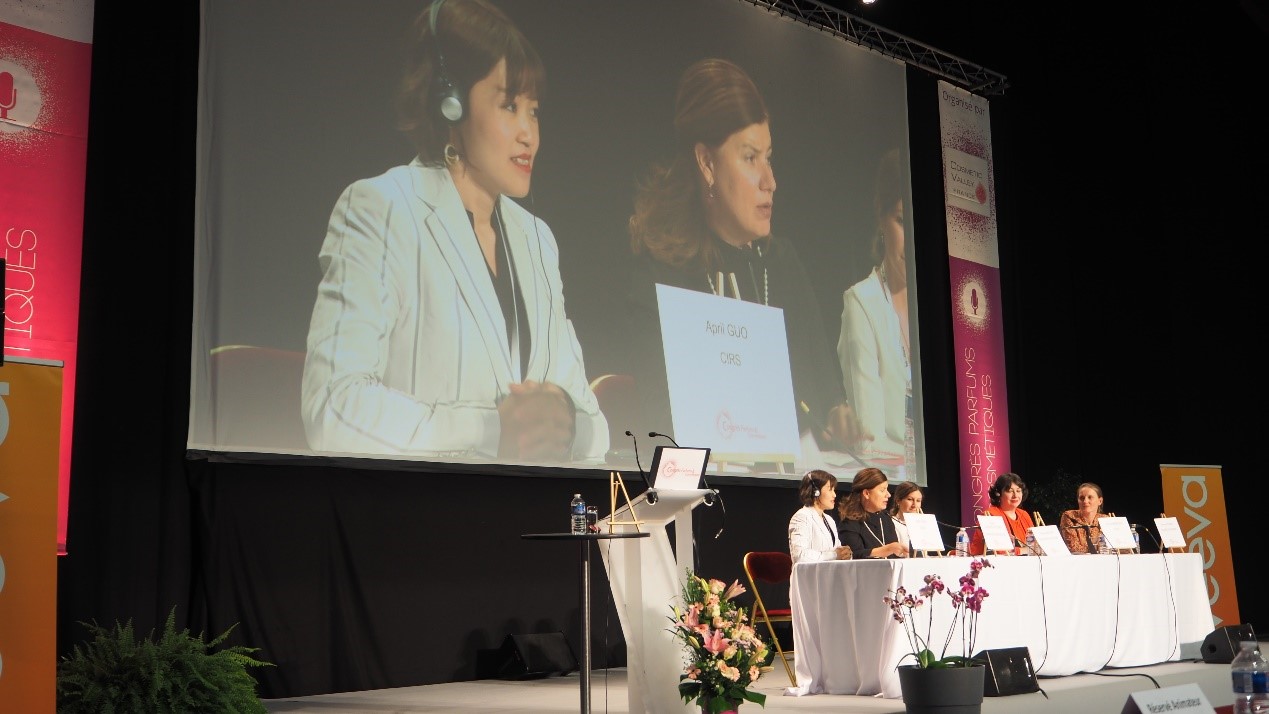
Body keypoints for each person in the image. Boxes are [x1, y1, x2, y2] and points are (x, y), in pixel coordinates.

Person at [300, 0, 607, 464]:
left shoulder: (537, 239)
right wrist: (490, 430)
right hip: (421, 502)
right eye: (509, 106)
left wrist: (566, 426)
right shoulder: (383, 208)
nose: (529, 134)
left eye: (534, 111)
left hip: (526, 503)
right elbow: (333, 407)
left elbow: (594, 423)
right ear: (451, 105)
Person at [624, 57, 862, 457]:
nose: (771, 181)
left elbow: (826, 393)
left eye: (768, 157)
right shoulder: (659, 275)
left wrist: (837, 413)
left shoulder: (782, 264)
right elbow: (660, 429)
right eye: (751, 158)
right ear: (706, 162)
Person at [837, 148, 910, 456]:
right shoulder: (862, 303)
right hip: (888, 476)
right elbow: (869, 438)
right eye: (901, 221)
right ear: (882, 218)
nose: (912, 242)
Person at [837, 467, 908, 559]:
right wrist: (886, 550)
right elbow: (852, 556)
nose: (888, 495)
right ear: (866, 493)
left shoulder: (885, 518)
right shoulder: (849, 522)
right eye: (882, 490)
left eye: (887, 490)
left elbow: (894, 556)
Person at [788, 469, 852, 564]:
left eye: (834, 490)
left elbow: (837, 550)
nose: (834, 495)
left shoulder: (829, 520)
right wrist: (834, 555)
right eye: (830, 489)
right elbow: (800, 555)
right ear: (816, 492)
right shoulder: (802, 517)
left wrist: (845, 554)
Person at [969, 472, 1035, 555]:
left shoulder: (1024, 514)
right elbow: (1000, 550)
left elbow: (1035, 544)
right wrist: (1024, 550)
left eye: (1018, 491)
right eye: (1010, 491)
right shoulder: (990, 515)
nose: (1015, 495)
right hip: (986, 561)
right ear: (998, 494)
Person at [1059, 482, 1106, 554]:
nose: (1085, 501)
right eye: (1082, 498)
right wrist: (1098, 547)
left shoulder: (1105, 519)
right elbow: (1074, 548)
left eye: (1090, 497)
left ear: (1100, 501)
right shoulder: (1070, 516)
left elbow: (1116, 547)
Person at [887, 480, 923, 552]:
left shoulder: (922, 524)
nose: (914, 505)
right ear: (898, 500)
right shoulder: (890, 523)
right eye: (910, 499)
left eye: (918, 501)